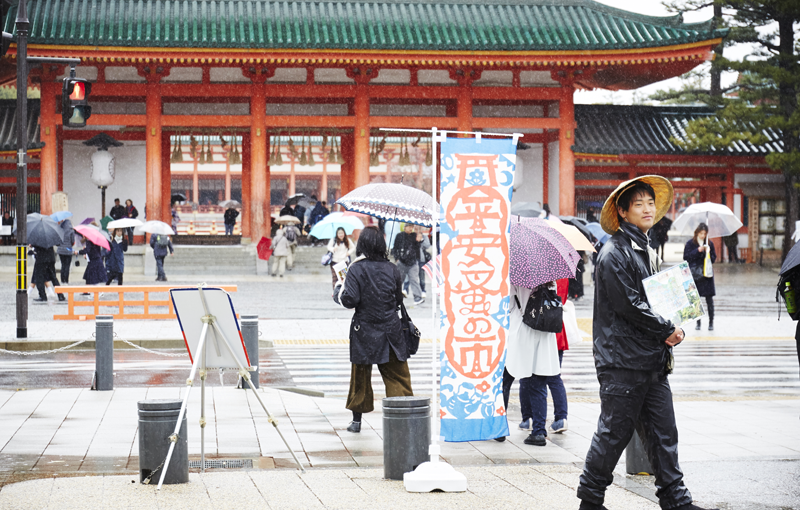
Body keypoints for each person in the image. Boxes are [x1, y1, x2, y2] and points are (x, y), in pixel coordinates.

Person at [578, 176, 714, 510]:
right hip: (622, 360)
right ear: (622, 211)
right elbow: (630, 306)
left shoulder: (643, 248)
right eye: (638, 204)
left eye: (650, 203)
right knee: (613, 434)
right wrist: (667, 328)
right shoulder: (614, 253)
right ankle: (590, 500)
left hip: (650, 359)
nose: (647, 209)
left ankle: (675, 498)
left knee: (663, 431)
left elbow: (650, 300)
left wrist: (673, 317)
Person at [332, 226, 414, 433]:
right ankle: (402, 418)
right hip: (390, 328)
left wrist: (337, 292)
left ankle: (357, 421)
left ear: (362, 245)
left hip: (364, 329)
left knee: (360, 375)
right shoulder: (392, 269)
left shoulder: (356, 269)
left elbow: (350, 299)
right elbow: (397, 299)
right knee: (397, 375)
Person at [499, 282, 560, 445]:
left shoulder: (517, 274)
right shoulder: (550, 276)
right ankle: (539, 431)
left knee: (505, 380)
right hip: (543, 331)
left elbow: (508, 303)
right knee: (538, 382)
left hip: (521, 330)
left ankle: (499, 427)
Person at [684, 223, 716, 331]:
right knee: (696, 300)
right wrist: (698, 250)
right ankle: (698, 322)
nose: (702, 235)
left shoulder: (709, 244)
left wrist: (709, 253)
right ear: (697, 232)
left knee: (709, 300)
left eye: (704, 233)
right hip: (696, 275)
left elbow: (713, 259)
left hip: (707, 275)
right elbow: (686, 257)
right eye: (701, 233)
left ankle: (711, 322)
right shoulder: (690, 243)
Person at [391, 223, 424, 306]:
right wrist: (397, 258)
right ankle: (394, 296)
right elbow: (395, 248)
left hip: (412, 262)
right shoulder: (399, 236)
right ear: (405, 227)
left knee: (414, 279)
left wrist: (419, 241)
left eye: (412, 227)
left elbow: (417, 248)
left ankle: (417, 297)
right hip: (402, 262)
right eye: (409, 227)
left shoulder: (414, 235)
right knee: (399, 280)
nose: (410, 228)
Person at [403, 227, 431, 299]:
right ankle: (405, 289)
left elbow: (427, 245)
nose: (416, 230)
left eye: (418, 229)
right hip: (411, 259)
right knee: (408, 275)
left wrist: (421, 240)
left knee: (421, 276)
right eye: (415, 229)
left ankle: (423, 290)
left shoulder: (424, 237)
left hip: (420, 259)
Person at [56, 218, 75, 284]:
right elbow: (73, 241)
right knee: (67, 265)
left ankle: (62, 280)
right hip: (68, 250)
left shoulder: (60, 230)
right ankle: (66, 280)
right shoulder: (71, 231)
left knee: (63, 265)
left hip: (61, 250)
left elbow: (57, 240)